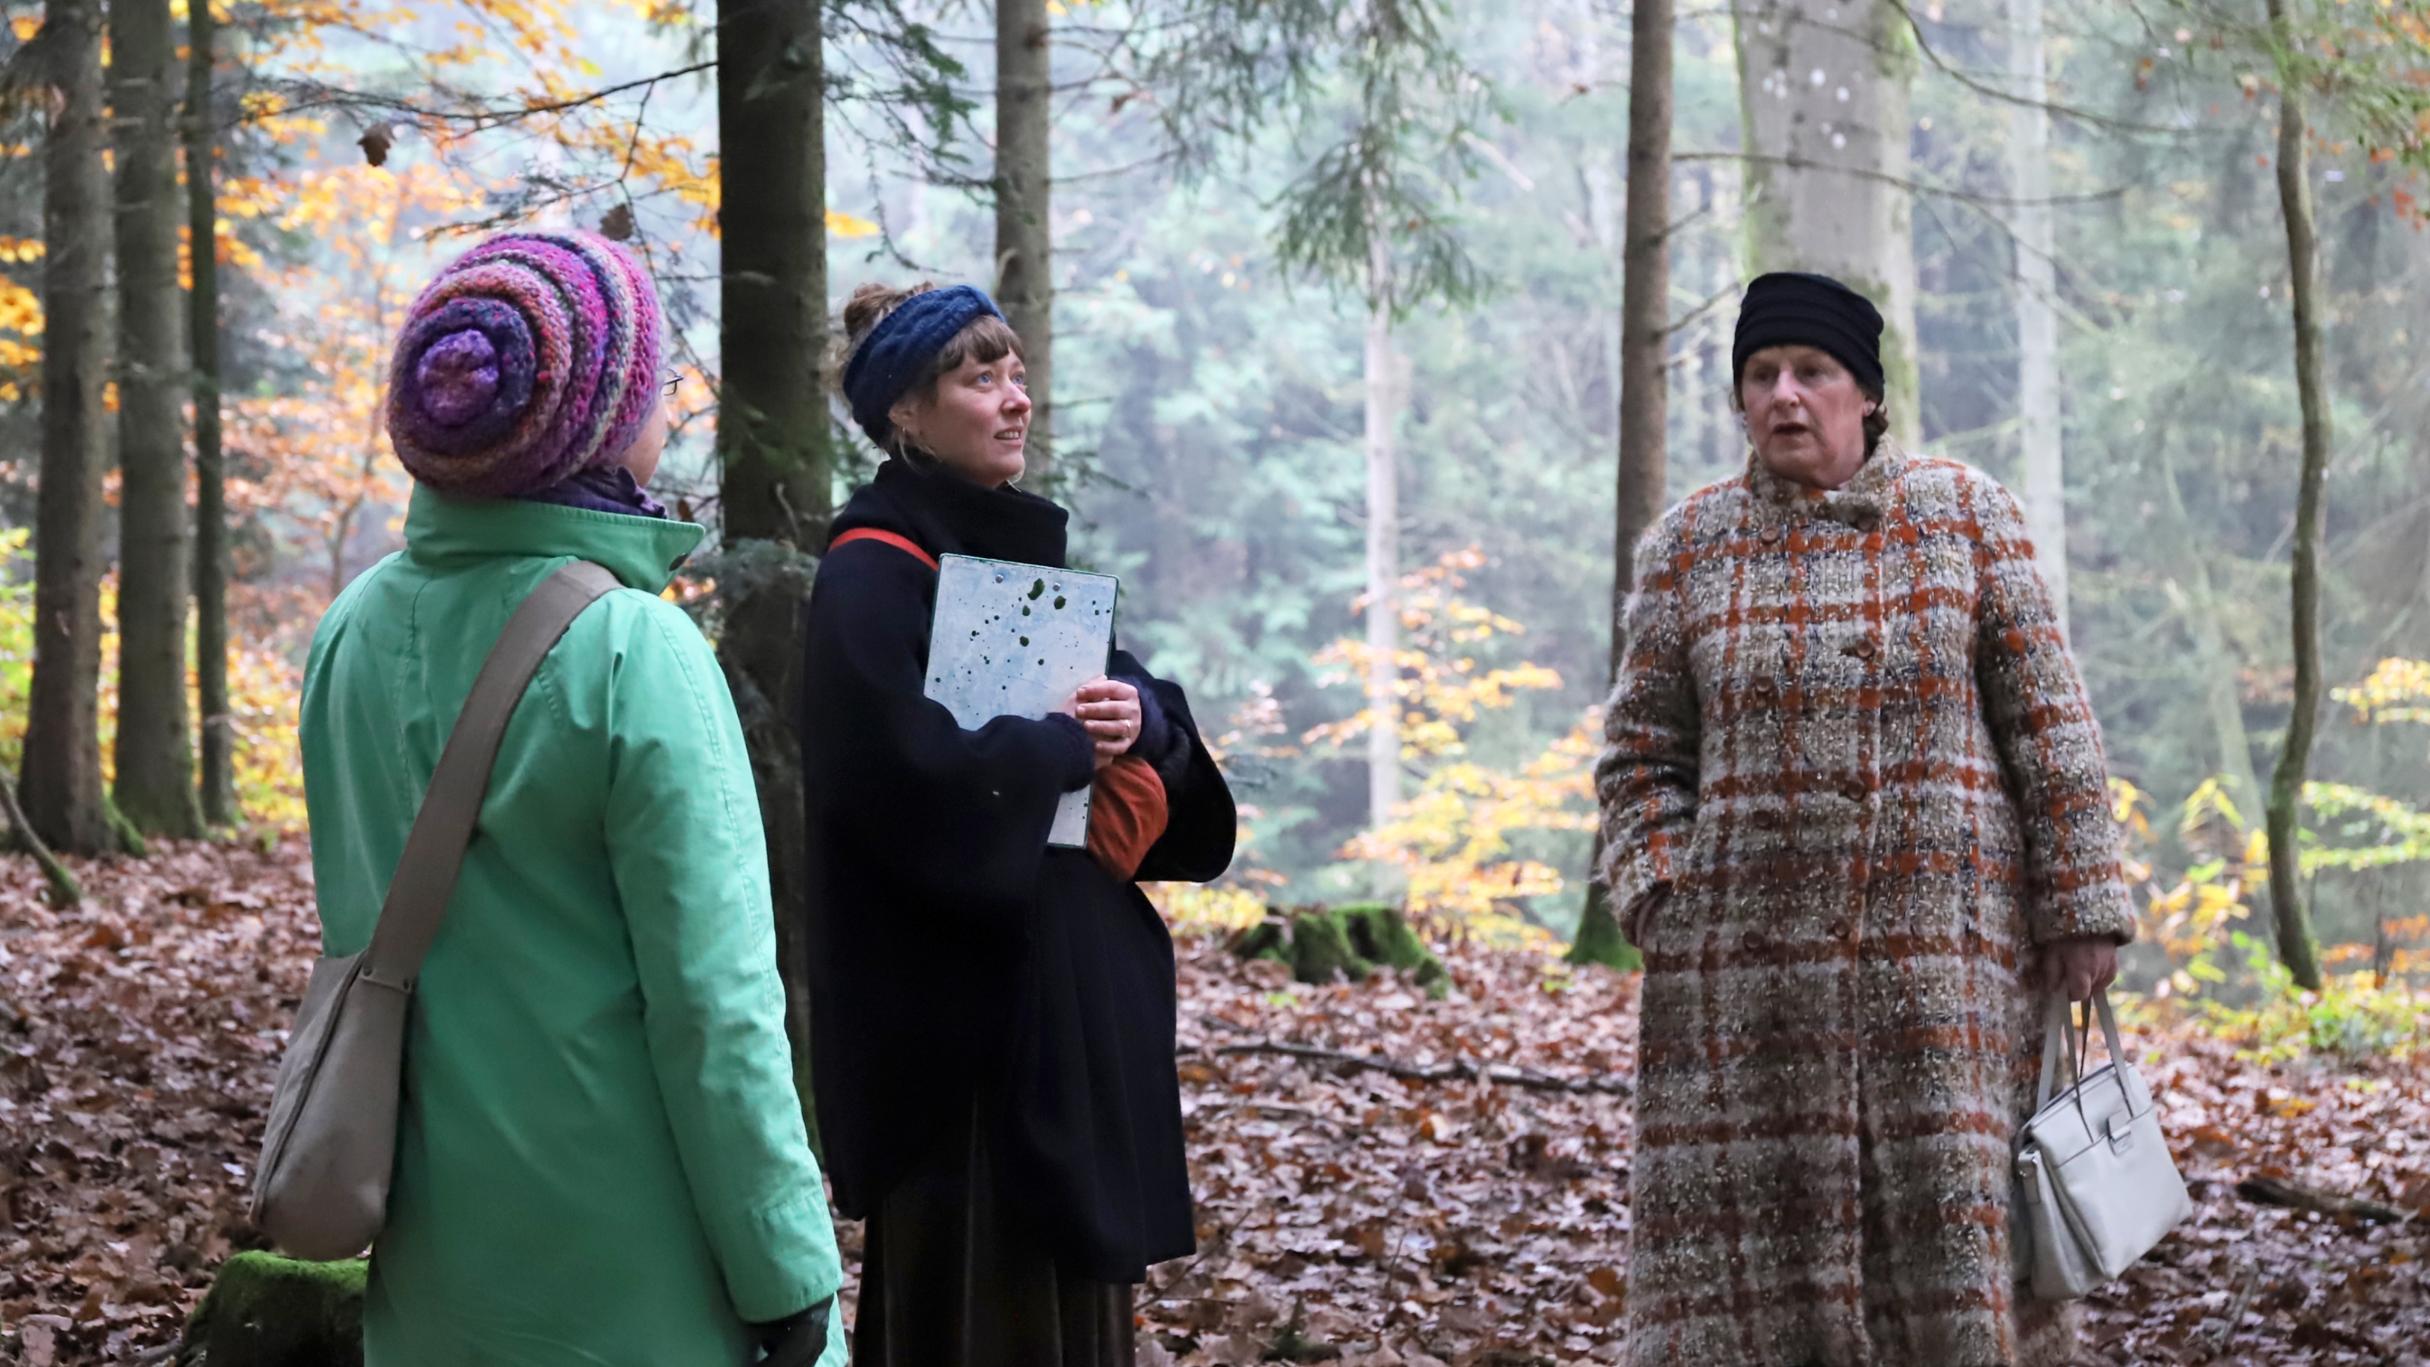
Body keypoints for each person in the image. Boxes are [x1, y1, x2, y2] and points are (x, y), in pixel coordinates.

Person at [300, 230, 843, 1365]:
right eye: (651, 383)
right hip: (643, 1277)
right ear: (595, 420)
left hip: (433, 1260)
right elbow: (715, 1007)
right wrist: (791, 1278)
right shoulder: (634, 647)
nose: (667, 406)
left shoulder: (346, 630)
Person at [1596, 271, 2135, 1365]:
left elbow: (2051, 726)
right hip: (1743, 992)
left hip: (1944, 972)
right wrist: (1665, 894)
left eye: (1813, 371)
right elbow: (1642, 757)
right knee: (1749, 1280)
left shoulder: (1964, 517)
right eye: (1762, 374)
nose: (1785, 395)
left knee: (1950, 1249)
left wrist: (2081, 906)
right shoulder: (1688, 548)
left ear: (1867, 395)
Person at [800, 281, 1237, 1366]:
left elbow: (1142, 722)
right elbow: (889, 784)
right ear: (906, 411)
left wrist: (1143, 723)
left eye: (1018, 374)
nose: (1015, 399)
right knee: (979, 1307)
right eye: (979, 375)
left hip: (1062, 1027)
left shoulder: (1017, 562)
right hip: (961, 1051)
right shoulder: (870, 572)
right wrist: (1050, 750)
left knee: (1068, 1311)